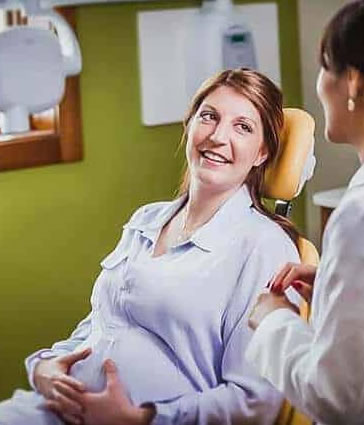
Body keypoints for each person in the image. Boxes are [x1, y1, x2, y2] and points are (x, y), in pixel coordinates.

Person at [0, 69, 304, 425]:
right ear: (189, 127)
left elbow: (254, 403)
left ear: (261, 153)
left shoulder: (264, 249)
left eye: (243, 127)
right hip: (59, 409)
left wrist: (141, 417)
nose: (218, 137)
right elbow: (101, 325)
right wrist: (46, 366)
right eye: (209, 117)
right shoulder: (146, 220)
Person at [246, 1, 364, 424]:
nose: (319, 83)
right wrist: (334, 289)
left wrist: (274, 321)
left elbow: (339, 401)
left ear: (353, 83)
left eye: (325, 67)